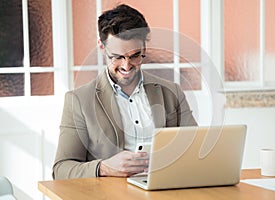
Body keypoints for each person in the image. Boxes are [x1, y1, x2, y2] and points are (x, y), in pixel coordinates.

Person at [52, 4, 197, 180]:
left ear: (144, 48)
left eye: (135, 55)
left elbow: (195, 148)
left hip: (165, 188)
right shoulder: (79, 100)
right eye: (117, 57)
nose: (126, 66)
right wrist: (103, 168)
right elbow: (61, 169)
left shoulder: (171, 92)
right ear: (102, 46)